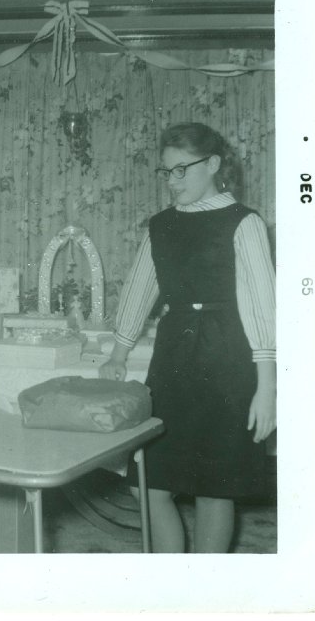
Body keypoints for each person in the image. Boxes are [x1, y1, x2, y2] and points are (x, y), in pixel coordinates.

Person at [100, 122, 276, 553]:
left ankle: (205, 591)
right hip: (174, 354)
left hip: (229, 359)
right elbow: (141, 287)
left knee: (215, 488)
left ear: (213, 164)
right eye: (167, 172)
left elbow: (262, 307)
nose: (173, 181)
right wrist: (118, 352)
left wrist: (268, 388)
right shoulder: (161, 226)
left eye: (182, 170)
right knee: (151, 483)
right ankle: (172, 580)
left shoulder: (244, 222)